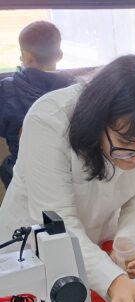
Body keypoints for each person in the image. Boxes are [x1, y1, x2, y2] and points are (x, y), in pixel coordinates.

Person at [0, 54, 135, 302]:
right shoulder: (50, 121)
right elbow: (59, 224)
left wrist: (126, 241)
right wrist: (112, 281)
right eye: (125, 142)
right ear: (98, 119)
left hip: (94, 246)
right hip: (30, 249)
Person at [0, 21, 75, 187]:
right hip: (68, 173)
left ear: (26, 57)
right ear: (60, 54)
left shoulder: (6, 89)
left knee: (8, 165)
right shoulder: (77, 88)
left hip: (24, 177)